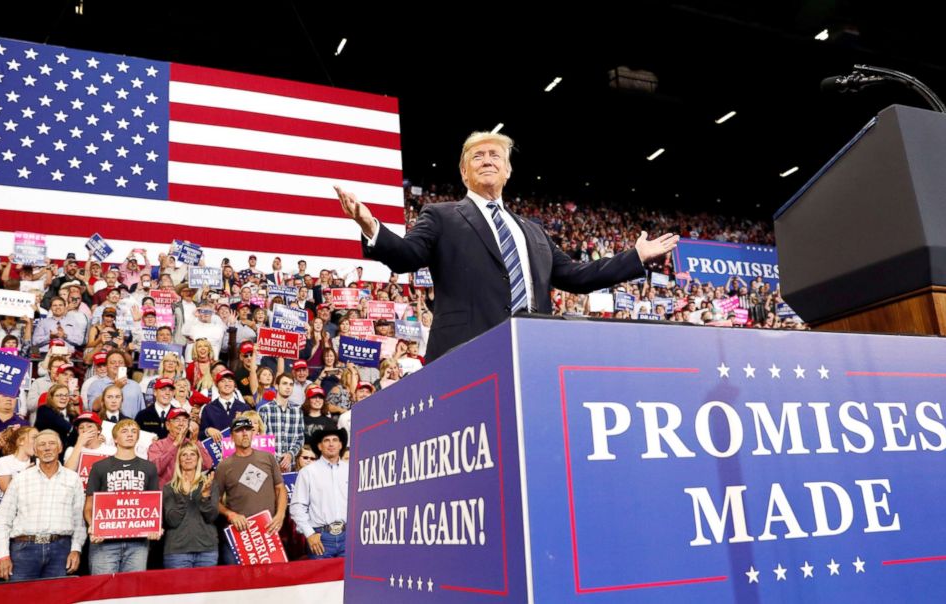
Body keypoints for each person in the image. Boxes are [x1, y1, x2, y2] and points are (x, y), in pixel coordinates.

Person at [334, 131, 679, 361]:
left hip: (532, 351)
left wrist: (635, 257)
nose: (488, 160)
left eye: (495, 155)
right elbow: (406, 257)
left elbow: (576, 276)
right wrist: (370, 225)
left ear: (508, 170)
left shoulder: (534, 230)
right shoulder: (440, 216)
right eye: (478, 156)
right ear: (464, 173)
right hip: (465, 352)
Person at [0, 430, 87, 581]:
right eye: (41, 445)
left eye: (52, 443)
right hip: (23, 550)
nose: (47, 448)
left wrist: (76, 549)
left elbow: (79, 521)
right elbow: (2, 520)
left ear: (60, 448)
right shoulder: (20, 479)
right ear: (35, 451)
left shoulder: (73, 479)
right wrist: (2, 555)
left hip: (61, 550)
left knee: (56, 599)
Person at [84, 419, 161, 574]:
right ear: (115, 439)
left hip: (138, 543)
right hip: (104, 542)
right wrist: (93, 526)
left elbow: (154, 505)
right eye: (124, 431)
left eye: (134, 432)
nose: (130, 435)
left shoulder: (149, 467)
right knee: (103, 592)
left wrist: (154, 527)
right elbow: (89, 506)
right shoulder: (100, 467)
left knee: (132, 592)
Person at [212, 416, 287, 565]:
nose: (244, 433)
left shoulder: (267, 457)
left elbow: (280, 489)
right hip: (240, 534)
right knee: (237, 584)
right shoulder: (224, 466)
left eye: (247, 430)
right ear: (232, 437)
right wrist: (230, 514)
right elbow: (214, 501)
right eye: (239, 431)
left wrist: (280, 515)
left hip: (268, 530)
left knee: (271, 582)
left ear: (253, 433)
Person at [289, 427, 348, 559]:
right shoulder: (308, 472)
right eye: (326, 440)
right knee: (323, 579)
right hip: (321, 538)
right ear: (320, 446)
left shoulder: (351, 469)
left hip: (348, 537)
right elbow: (297, 506)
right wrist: (309, 534)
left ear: (340, 445)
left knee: (349, 579)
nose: (331, 444)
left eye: (335, 440)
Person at [162, 441, 218, 568]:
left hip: (207, 551)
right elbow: (172, 521)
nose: (188, 457)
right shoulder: (169, 488)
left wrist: (205, 496)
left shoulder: (210, 484)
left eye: (192, 454)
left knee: (206, 588)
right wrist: (182, 495)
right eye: (184, 455)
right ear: (179, 460)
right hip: (177, 553)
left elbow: (212, 517)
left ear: (198, 459)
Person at [148, 407, 213, 483]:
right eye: (177, 420)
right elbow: (154, 470)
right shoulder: (157, 445)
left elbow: (207, 465)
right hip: (166, 493)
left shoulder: (192, 443)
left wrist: (195, 442)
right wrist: (175, 444)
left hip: (189, 492)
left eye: (185, 420)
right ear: (168, 425)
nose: (181, 424)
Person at [258, 373, 307, 472]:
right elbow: (261, 438)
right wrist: (277, 459)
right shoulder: (265, 409)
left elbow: (300, 438)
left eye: (291, 384)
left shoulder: (298, 410)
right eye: (284, 383)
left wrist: (289, 455)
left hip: (291, 465)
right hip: (269, 465)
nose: (288, 387)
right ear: (276, 386)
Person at [199, 369, 251, 440]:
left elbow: (252, 432)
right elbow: (200, 435)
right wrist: (207, 431)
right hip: (217, 448)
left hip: (239, 449)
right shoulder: (208, 409)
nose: (227, 384)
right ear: (217, 385)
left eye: (230, 381)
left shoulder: (245, 408)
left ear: (234, 385)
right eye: (223, 381)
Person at [0, 426, 38, 491]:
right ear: (21, 441)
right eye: (34, 438)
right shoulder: (3, 462)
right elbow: (7, 492)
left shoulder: (38, 464)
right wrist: (25, 475)